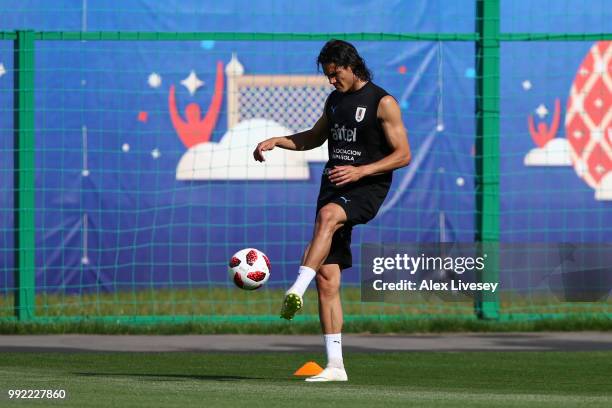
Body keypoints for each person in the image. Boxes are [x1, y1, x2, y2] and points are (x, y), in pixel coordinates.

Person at [253, 39, 411, 382]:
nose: (331, 81)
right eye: (327, 75)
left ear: (351, 66)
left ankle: (296, 288)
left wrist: (361, 171)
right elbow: (313, 137)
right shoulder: (335, 100)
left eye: (334, 74)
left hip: (366, 186)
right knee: (328, 278)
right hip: (335, 185)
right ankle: (335, 366)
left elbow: (403, 155)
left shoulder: (383, 102)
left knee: (328, 217)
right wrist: (277, 141)